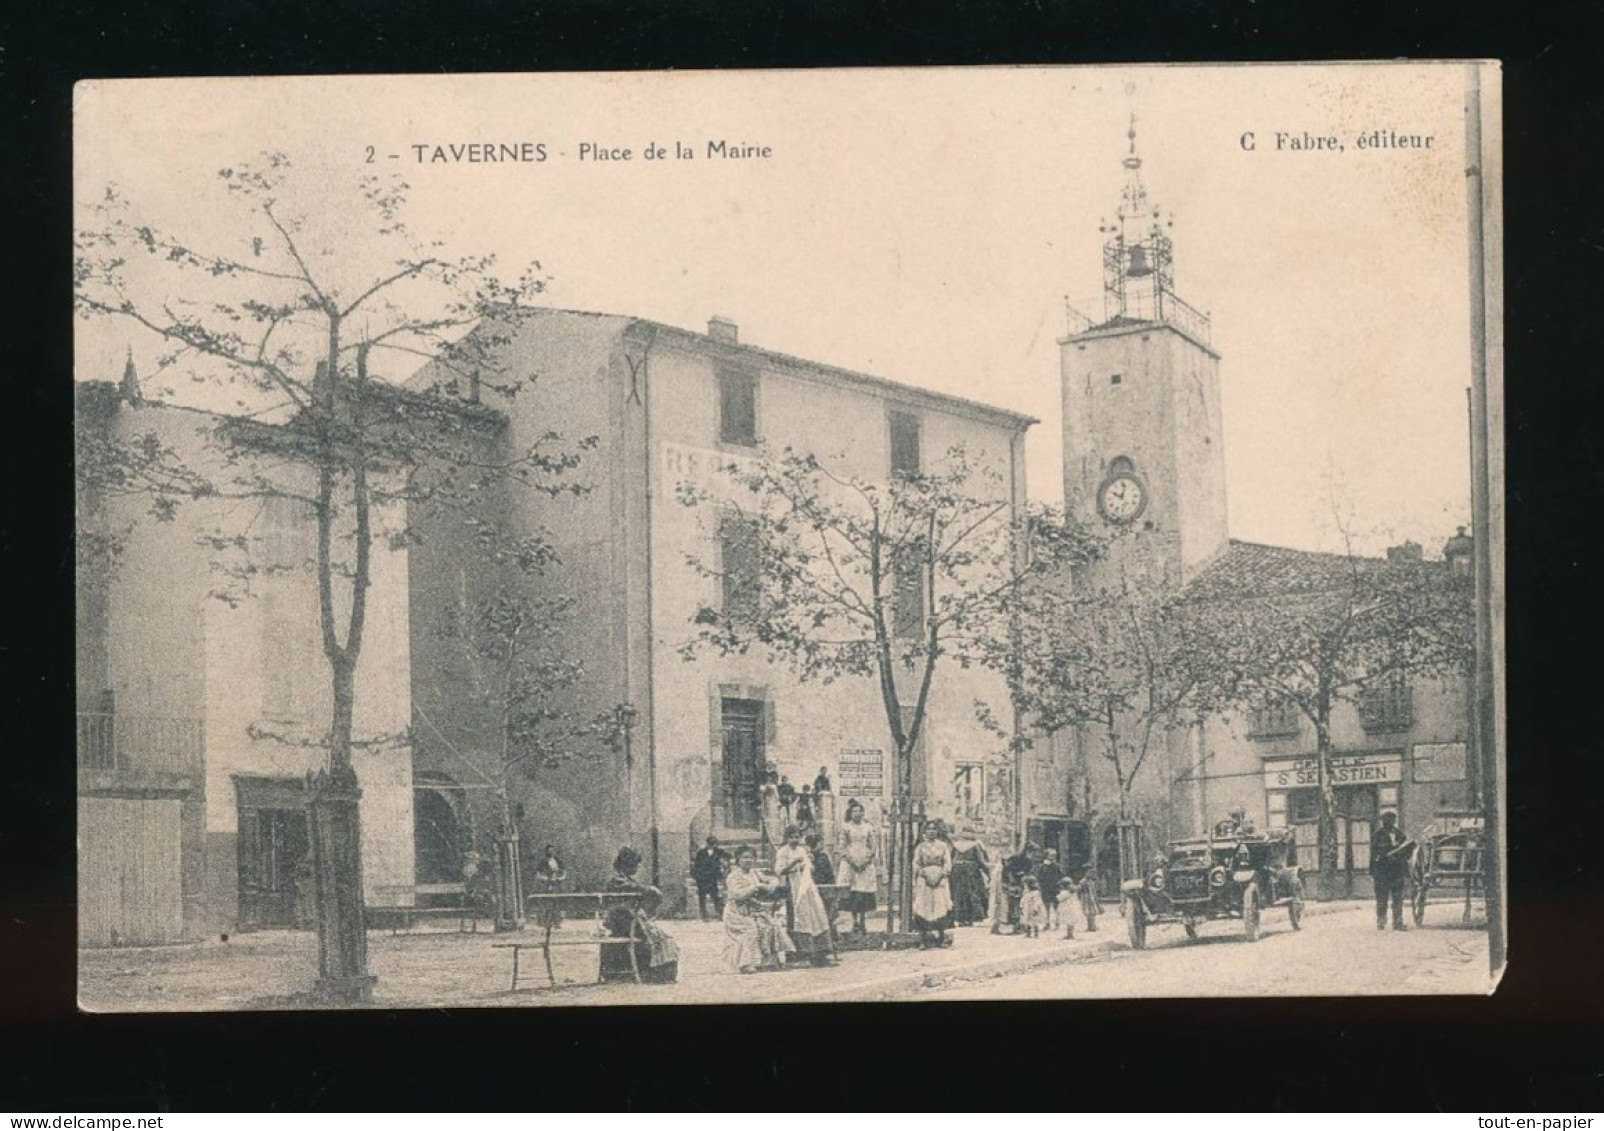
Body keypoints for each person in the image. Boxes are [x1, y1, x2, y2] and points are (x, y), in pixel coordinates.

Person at [598, 847, 680, 983]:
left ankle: (653, 971)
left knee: (658, 934)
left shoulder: (623, 879)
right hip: (624, 922)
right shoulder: (618, 881)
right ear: (627, 865)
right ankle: (654, 973)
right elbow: (633, 889)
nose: (637, 868)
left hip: (625, 920)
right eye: (635, 864)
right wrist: (650, 889)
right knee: (660, 937)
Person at [723, 845, 797, 973]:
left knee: (771, 925)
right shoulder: (733, 876)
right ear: (738, 860)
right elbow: (738, 895)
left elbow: (773, 880)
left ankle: (769, 961)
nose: (748, 860)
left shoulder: (755, 873)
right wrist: (756, 887)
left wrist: (770, 885)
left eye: (751, 858)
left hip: (753, 909)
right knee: (751, 929)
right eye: (745, 857)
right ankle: (746, 963)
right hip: (737, 912)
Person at [774, 825, 835, 966]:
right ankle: (801, 953)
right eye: (791, 837)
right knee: (800, 917)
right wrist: (793, 864)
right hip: (794, 885)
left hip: (808, 884)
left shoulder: (802, 850)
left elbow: (810, 868)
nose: (794, 840)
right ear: (787, 838)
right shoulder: (783, 851)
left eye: (797, 837)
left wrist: (809, 863)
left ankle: (820, 952)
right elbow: (779, 870)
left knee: (816, 914)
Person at [836, 799, 880, 935]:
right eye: (854, 811)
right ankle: (854, 921)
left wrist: (865, 861)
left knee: (863, 893)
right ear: (851, 813)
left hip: (865, 862)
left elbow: (873, 847)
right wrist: (852, 861)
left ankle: (863, 921)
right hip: (851, 863)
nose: (857, 814)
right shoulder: (846, 827)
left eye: (860, 811)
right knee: (853, 894)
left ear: (863, 813)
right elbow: (842, 847)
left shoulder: (868, 828)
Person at [911, 820, 955, 948]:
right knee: (923, 907)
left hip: (940, 879)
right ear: (924, 832)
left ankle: (941, 937)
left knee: (940, 906)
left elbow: (947, 863)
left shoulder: (943, 846)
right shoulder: (921, 847)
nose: (931, 832)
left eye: (934, 829)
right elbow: (916, 863)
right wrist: (923, 874)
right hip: (925, 879)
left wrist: (941, 875)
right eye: (929, 829)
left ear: (937, 831)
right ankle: (923, 939)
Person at [1371, 810, 1413, 931]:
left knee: (1398, 897)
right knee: (1381, 897)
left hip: (1397, 870)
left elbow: (1407, 852)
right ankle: (1381, 921)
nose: (1390, 822)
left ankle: (1398, 922)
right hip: (1382, 871)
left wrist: (1405, 852)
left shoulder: (1400, 834)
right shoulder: (1377, 835)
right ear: (1383, 821)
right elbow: (1373, 853)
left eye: (1392, 819)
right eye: (1387, 819)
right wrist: (1373, 870)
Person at [949, 828, 991, 927]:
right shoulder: (975, 845)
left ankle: (960, 918)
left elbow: (951, 859)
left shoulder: (956, 845)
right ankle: (973, 917)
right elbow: (981, 861)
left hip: (957, 872)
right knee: (973, 893)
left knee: (958, 895)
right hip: (971, 872)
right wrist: (988, 872)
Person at [529, 844, 568, 931]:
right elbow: (538, 873)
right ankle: (545, 922)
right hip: (546, 885)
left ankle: (557, 923)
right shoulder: (543, 861)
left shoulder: (558, 860)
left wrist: (561, 878)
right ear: (546, 852)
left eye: (553, 851)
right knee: (546, 903)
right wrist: (545, 879)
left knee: (557, 903)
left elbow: (564, 871)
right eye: (549, 851)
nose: (551, 852)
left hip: (556, 884)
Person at [691, 836, 730, 921]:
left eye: (714, 843)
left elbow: (728, 857)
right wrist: (696, 877)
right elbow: (696, 865)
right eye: (711, 843)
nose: (713, 845)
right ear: (707, 843)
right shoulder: (701, 853)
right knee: (702, 897)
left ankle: (720, 914)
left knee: (715, 896)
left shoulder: (719, 852)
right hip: (702, 878)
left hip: (713, 878)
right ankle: (704, 915)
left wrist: (724, 863)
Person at [1036, 848, 1064, 932]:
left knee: (1056, 906)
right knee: (1046, 907)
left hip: (1055, 888)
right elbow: (1039, 877)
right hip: (1045, 889)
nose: (1053, 857)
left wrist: (1060, 884)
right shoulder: (1042, 867)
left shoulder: (1057, 866)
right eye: (1051, 855)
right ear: (1046, 856)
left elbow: (1061, 875)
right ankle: (1047, 923)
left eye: (1054, 855)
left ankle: (1057, 923)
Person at [1076, 866, 1101, 933]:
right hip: (1086, 898)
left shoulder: (1091, 881)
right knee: (1088, 913)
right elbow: (1078, 890)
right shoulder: (1082, 881)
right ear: (1085, 872)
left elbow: (1094, 891)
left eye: (1093, 873)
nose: (1091, 874)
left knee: (1092, 913)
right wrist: (1079, 898)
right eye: (1090, 872)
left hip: (1092, 898)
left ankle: (1092, 926)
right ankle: (1090, 926)